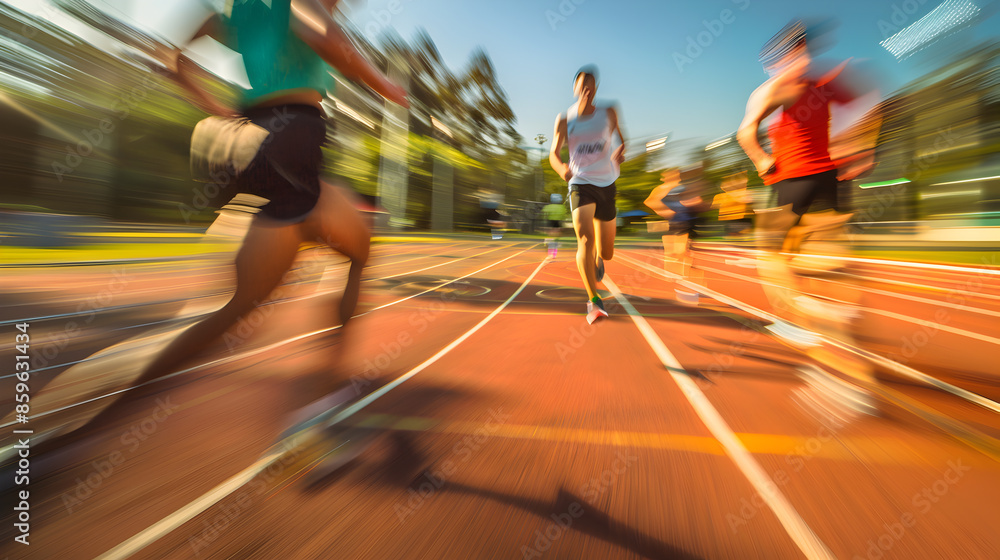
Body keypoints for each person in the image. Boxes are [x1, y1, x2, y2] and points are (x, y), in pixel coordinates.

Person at [60, 0, 409, 442]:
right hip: (289, 146)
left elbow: (177, 58)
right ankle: (77, 417)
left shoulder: (245, 9)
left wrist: (214, 106)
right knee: (234, 312)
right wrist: (384, 86)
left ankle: (327, 396)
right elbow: (322, 36)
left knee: (349, 251)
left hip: (253, 144)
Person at [737, 19, 880, 415]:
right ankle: (834, 315)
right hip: (829, 182)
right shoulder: (825, 82)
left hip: (795, 183)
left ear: (780, 57)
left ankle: (807, 319)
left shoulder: (776, 86)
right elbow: (870, 99)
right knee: (831, 267)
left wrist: (762, 159)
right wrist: (861, 149)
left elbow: (745, 132)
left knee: (770, 261)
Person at [549, 65, 626, 324]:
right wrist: (561, 168)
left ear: (596, 90)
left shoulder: (609, 112)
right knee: (584, 238)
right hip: (580, 182)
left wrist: (620, 151)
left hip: (607, 183)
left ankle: (597, 259)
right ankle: (593, 301)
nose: (586, 90)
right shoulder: (564, 119)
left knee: (606, 252)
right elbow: (553, 153)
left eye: (591, 86)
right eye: (582, 85)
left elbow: (622, 139)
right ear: (574, 88)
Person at [541, 193, 568, 258]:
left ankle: (547, 243)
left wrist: (545, 221)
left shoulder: (548, 207)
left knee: (551, 236)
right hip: (558, 223)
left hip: (550, 222)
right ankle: (554, 254)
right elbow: (564, 216)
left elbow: (544, 214)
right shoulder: (562, 207)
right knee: (556, 238)